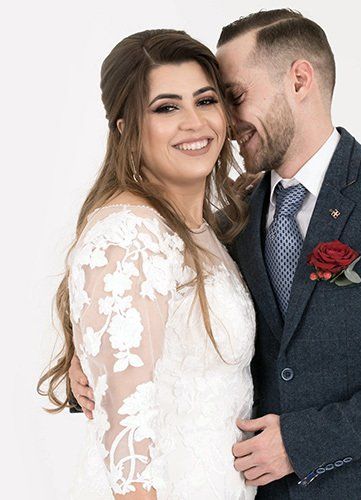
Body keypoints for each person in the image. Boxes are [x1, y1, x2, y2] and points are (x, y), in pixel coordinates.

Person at [69, 9, 361, 499]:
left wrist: (302, 442)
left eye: (229, 97)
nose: (224, 121)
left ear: (299, 80)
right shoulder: (231, 218)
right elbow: (152, 320)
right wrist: (92, 360)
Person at [37, 29, 258, 499]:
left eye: (205, 100)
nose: (194, 123)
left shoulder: (199, 227)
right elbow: (129, 454)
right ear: (125, 128)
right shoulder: (128, 237)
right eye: (166, 108)